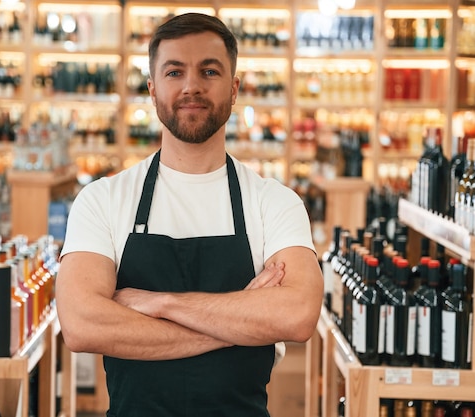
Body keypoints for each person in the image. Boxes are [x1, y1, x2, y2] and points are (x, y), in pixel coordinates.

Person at [55, 12, 323, 416]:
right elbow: (80, 324)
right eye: (175, 71)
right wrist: (237, 325)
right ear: (152, 89)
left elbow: (298, 314)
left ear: (234, 89)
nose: (192, 86)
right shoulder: (103, 199)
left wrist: (160, 303)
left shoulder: (274, 202)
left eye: (209, 71)